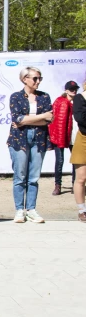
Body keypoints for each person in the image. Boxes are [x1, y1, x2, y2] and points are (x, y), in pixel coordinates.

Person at [7, 67, 53, 223]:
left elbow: (49, 118)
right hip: (19, 139)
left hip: (39, 138)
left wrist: (27, 120)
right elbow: (17, 118)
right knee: (20, 176)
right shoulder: (16, 96)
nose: (38, 81)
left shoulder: (44, 97)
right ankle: (20, 209)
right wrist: (40, 117)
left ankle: (31, 208)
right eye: (35, 78)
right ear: (24, 79)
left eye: (40, 78)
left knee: (33, 177)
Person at [50, 81, 78, 195]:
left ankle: (75, 185)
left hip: (74, 134)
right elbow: (54, 120)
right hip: (60, 134)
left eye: (75, 89)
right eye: (71, 89)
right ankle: (58, 185)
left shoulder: (78, 102)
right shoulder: (60, 101)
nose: (74, 91)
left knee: (76, 161)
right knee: (60, 161)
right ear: (66, 90)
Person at [71, 84, 86, 222]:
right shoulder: (80, 98)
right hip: (84, 140)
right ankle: (82, 210)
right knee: (81, 178)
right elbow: (81, 119)